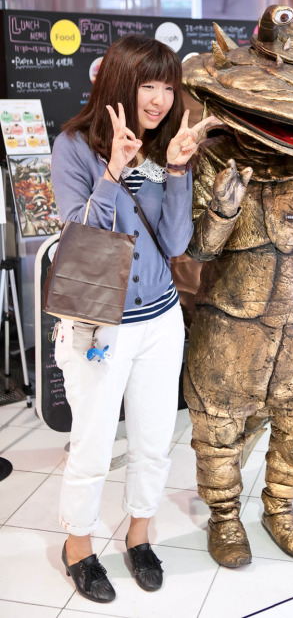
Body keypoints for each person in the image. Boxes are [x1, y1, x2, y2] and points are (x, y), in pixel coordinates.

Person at [51, 34, 219, 602]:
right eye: (148, 85)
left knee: (152, 440)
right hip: (101, 324)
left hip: (161, 321)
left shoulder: (166, 145)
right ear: (119, 83)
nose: (159, 100)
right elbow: (80, 238)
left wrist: (175, 172)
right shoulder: (75, 146)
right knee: (93, 444)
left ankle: (139, 534)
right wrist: (113, 172)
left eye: (168, 88)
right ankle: (78, 545)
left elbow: (175, 241)